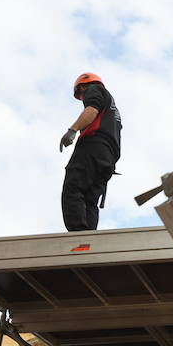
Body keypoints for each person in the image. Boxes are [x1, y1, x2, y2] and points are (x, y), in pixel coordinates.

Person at [59, 72, 122, 232]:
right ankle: (88, 240)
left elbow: (91, 110)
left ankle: (78, 235)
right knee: (90, 199)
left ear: (82, 86)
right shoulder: (112, 109)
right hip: (108, 158)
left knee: (73, 187)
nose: (82, 97)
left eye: (80, 94)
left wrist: (72, 130)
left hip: (92, 146)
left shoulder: (93, 89)